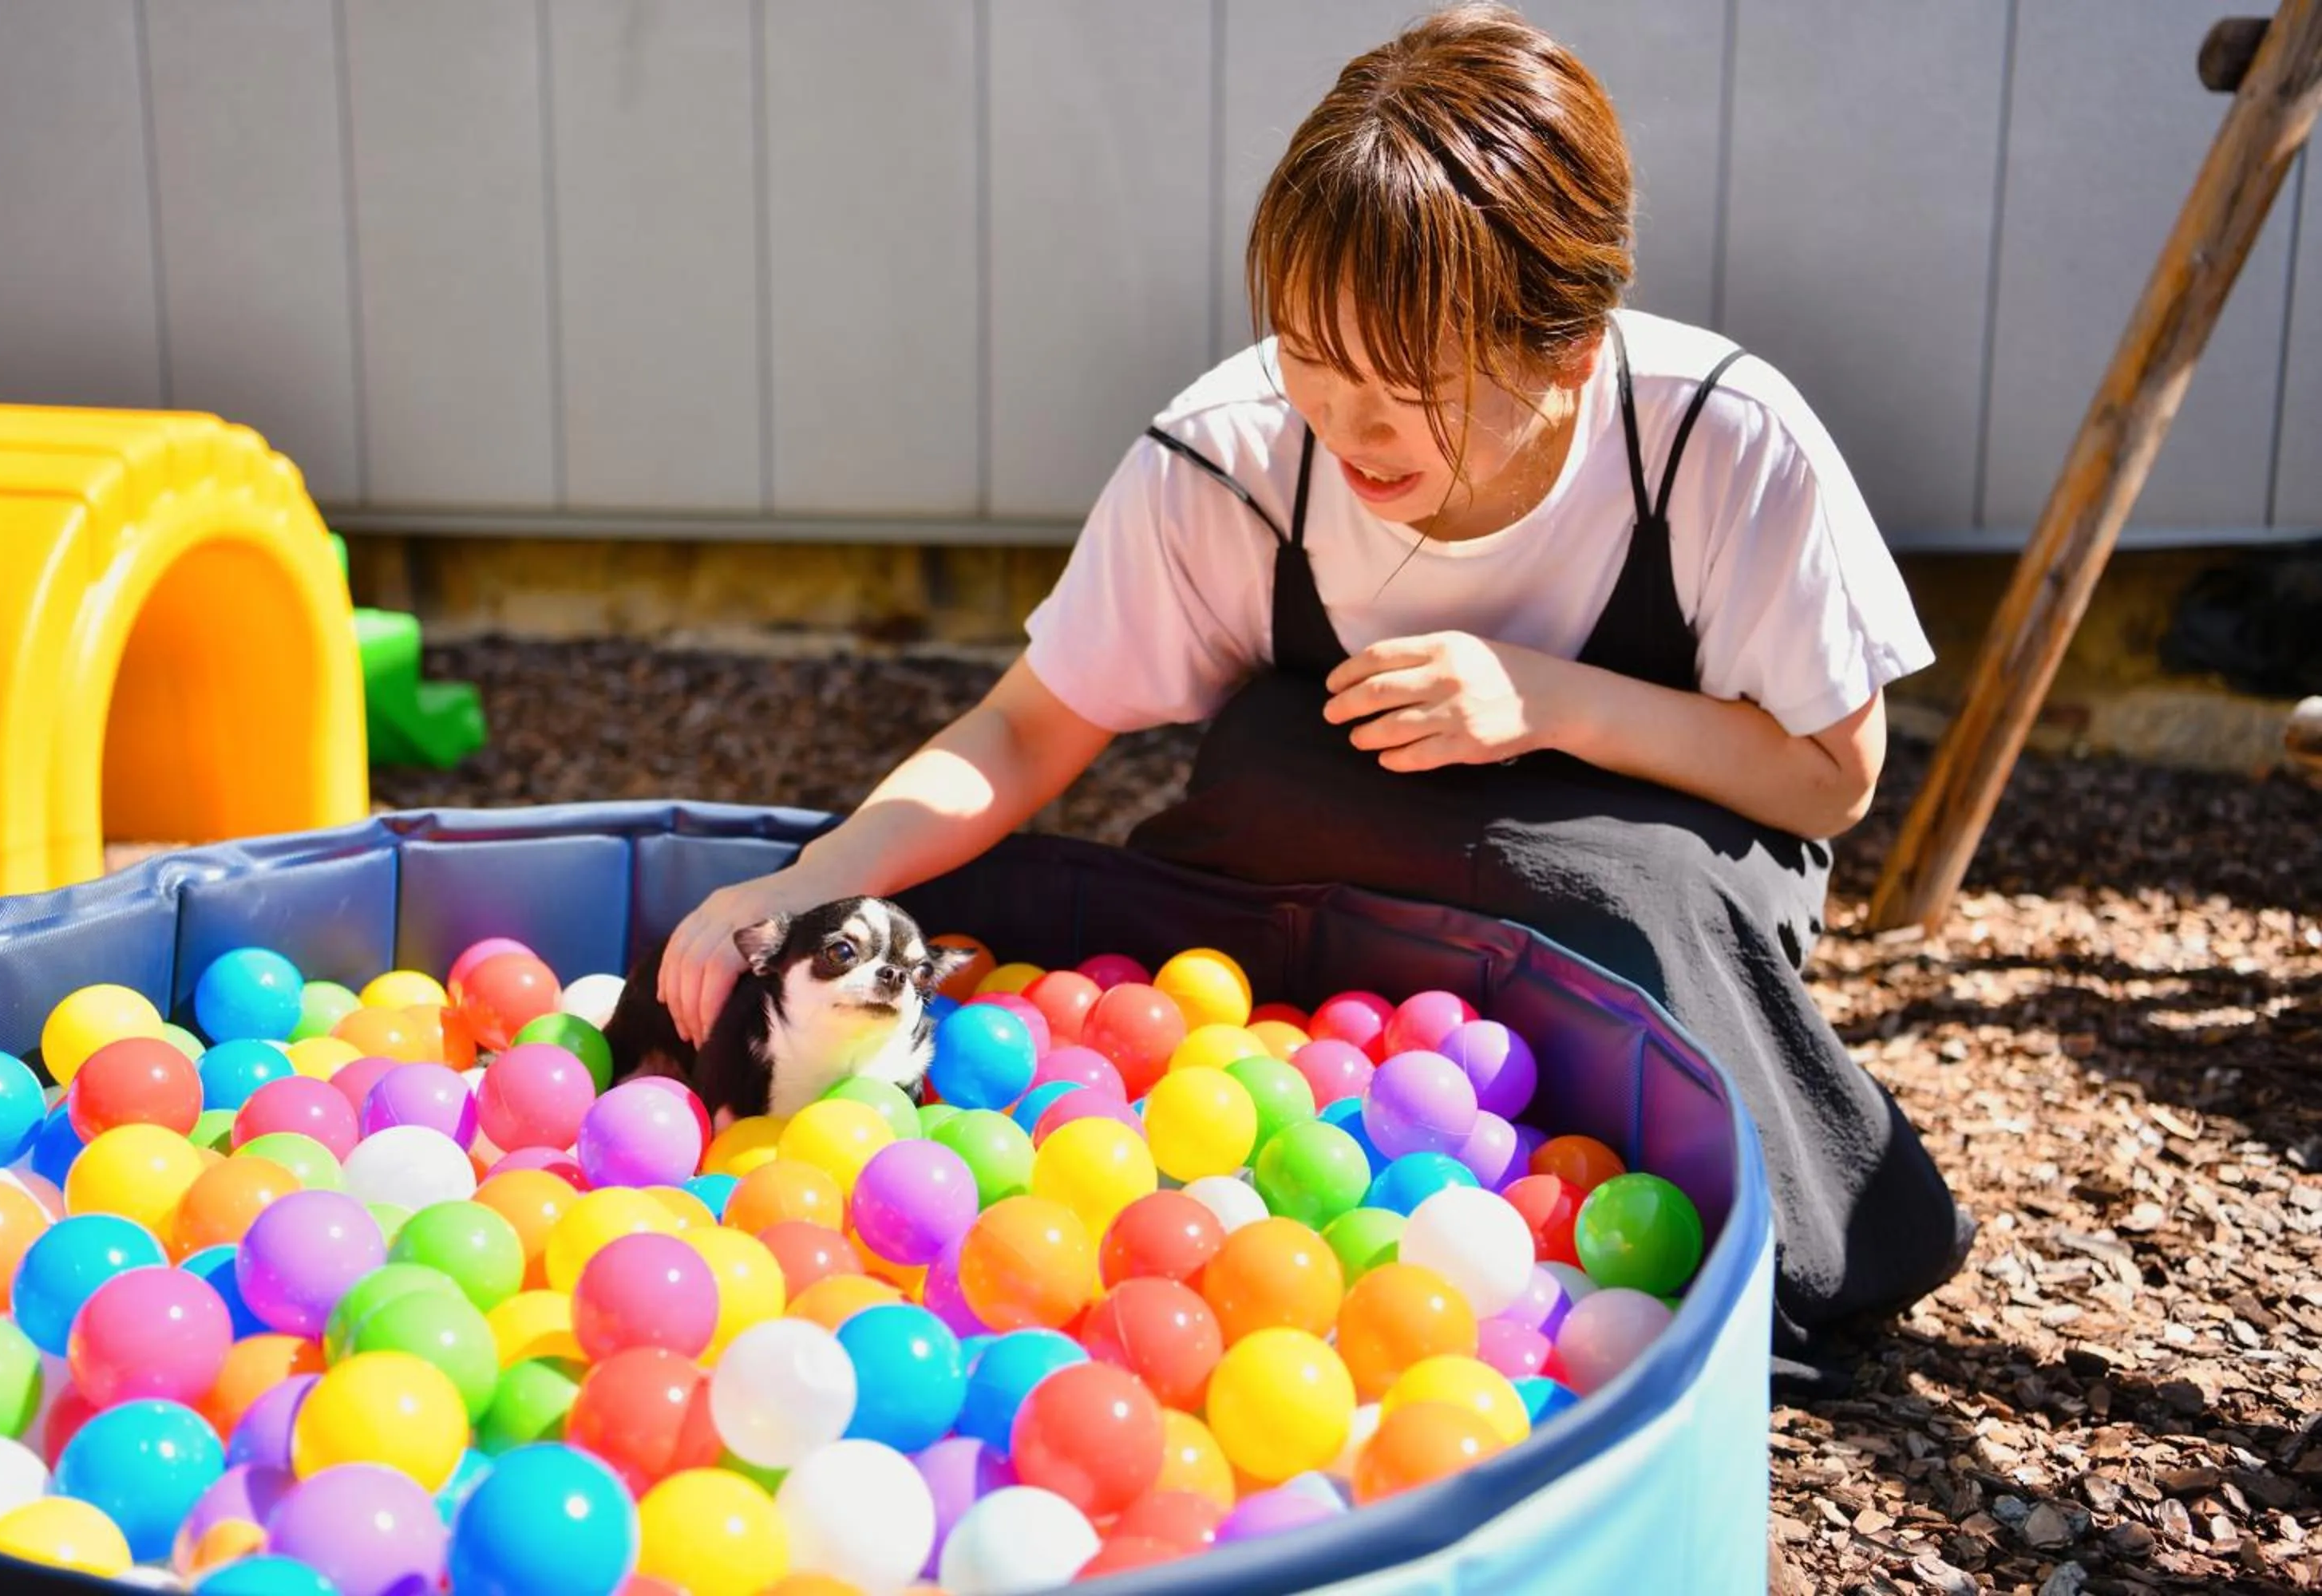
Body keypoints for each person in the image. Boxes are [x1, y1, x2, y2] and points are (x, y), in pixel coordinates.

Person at [657, 2, 1968, 1390]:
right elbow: (1028, 728)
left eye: (1407, 386)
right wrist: (814, 879)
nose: (1344, 426)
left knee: (1617, 892)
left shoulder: (1719, 440)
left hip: (1654, 881)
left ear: (1571, 346)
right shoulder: (1232, 452)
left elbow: (1830, 777)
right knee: (1193, 814)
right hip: (1339, 890)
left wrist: (1552, 702)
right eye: (1307, 355)